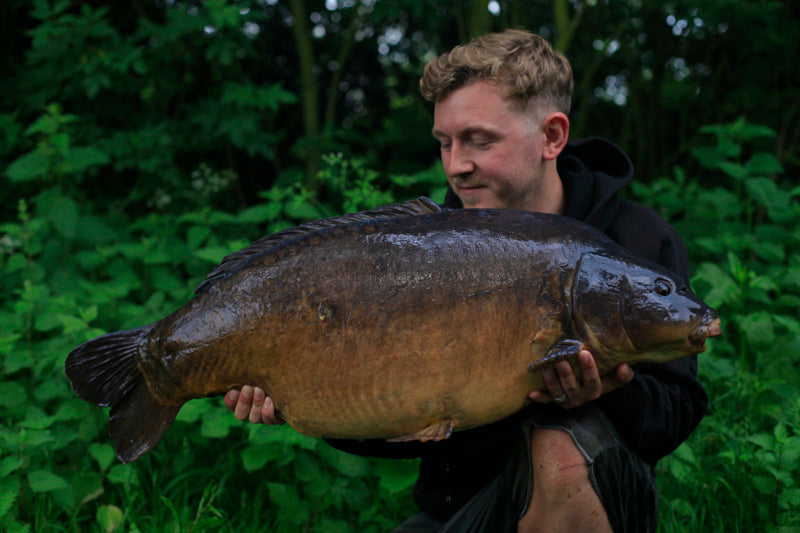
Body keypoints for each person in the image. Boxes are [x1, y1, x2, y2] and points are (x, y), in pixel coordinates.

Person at [224, 29, 707, 532]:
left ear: (552, 136)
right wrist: (299, 396)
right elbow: (399, 426)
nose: (456, 166)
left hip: (582, 504)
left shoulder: (634, 240)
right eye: (445, 143)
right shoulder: (422, 250)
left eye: (480, 140)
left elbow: (676, 415)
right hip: (460, 511)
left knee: (566, 440)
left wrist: (606, 392)